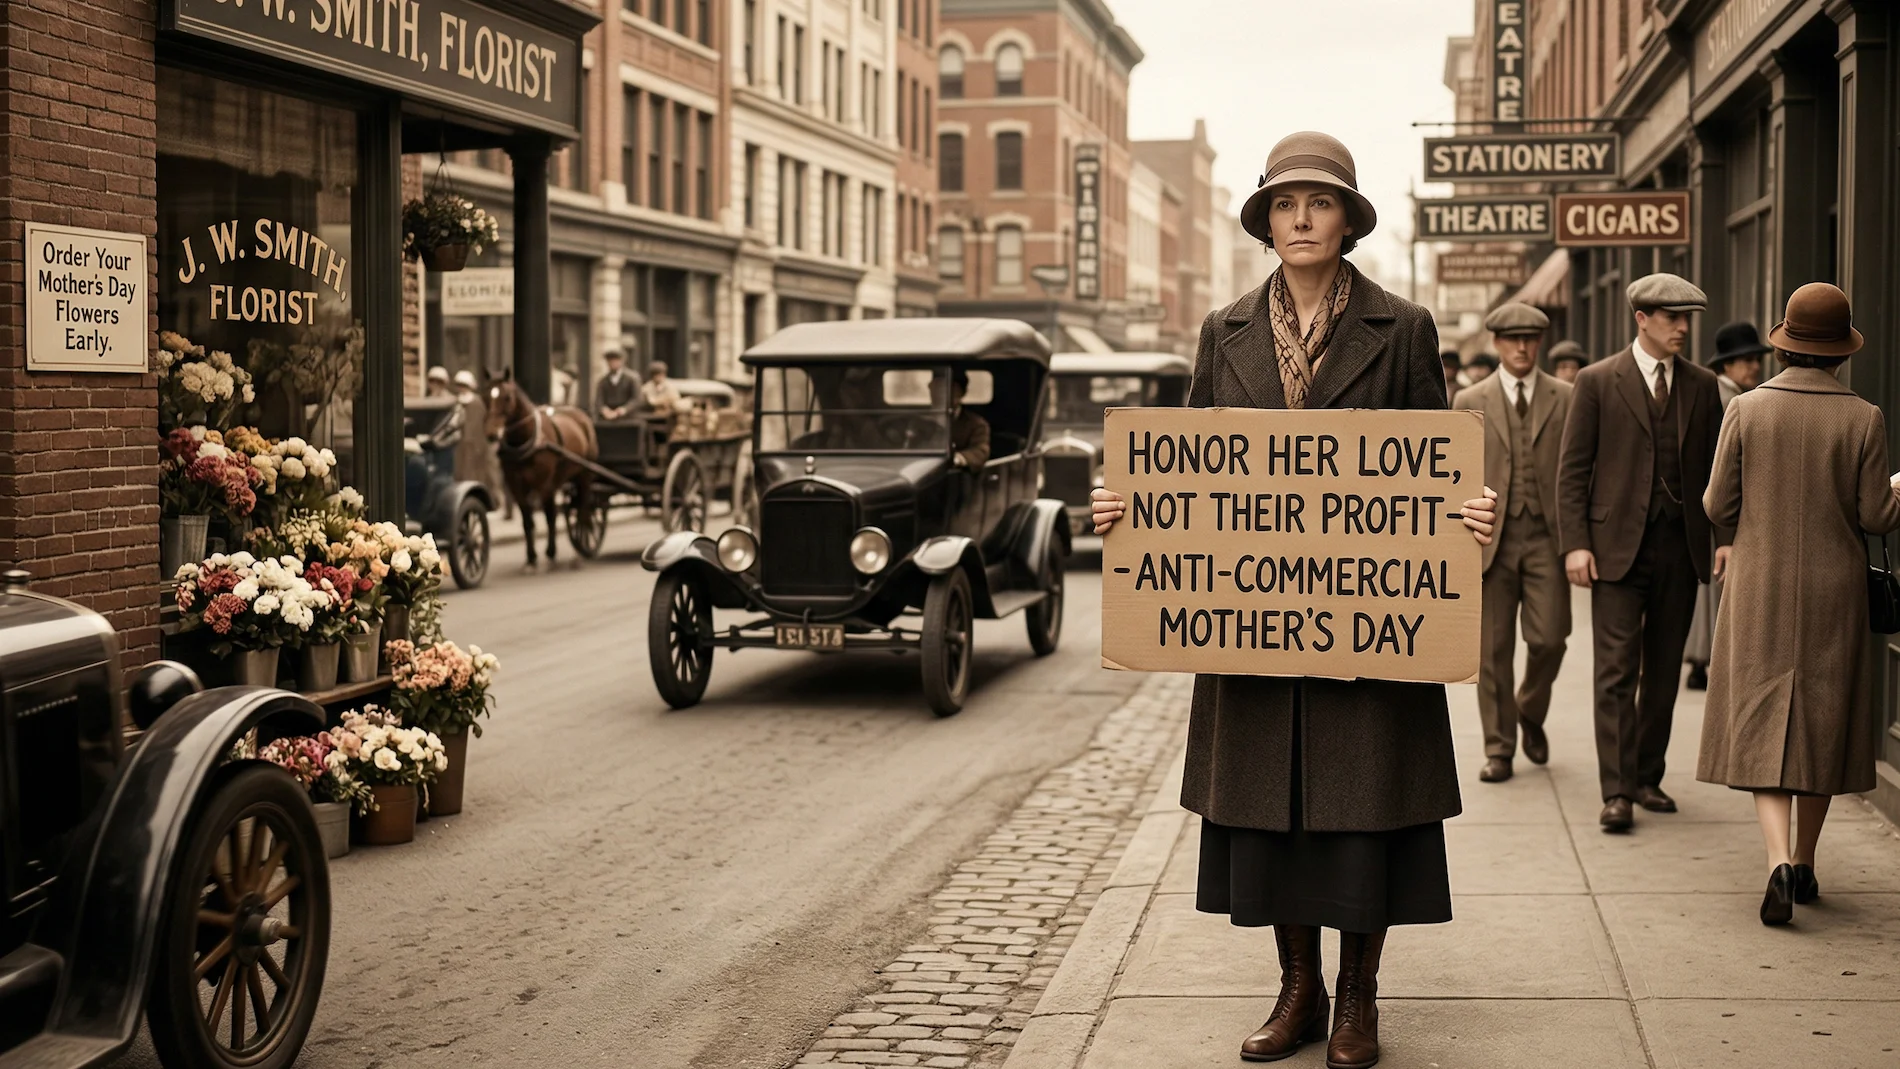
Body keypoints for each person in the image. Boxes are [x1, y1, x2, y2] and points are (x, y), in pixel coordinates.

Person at [1089, 131, 1497, 1069]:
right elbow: (1189, 466)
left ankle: (1357, 998)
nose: (1302, 218)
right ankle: (1298, 989)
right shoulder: (1223, 329)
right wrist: (1127, 505)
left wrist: (1467, 513)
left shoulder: (1405, 326)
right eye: (1285, 203)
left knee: (1363, 817)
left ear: (1347, 220)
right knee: (1274, 817)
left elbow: (1436, 463)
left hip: (1370, 629)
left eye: (1319, 202)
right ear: (1267, 223)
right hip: (1257, 629)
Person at [1696, 283, 1900, 925]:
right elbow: (1877, 516)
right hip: (1835, 593)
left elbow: (1717, 505)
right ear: (1842, 351)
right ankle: (1807, 862)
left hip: (1759, 584)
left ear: (1784, 344)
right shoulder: (1864, 418)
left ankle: (1778, 861)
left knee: (1762, 719)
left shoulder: (1746, 409)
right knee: (1823, 723)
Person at [1557, 273, 1727, 833]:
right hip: (1613, 549)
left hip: (1680, 547)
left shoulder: (1702, 385)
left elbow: (1718, 473)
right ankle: (1616, 792)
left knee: (1663, 671)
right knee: (1614, 672)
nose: (1682, 329)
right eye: (1671, 318)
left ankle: (1647, 777)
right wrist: (1576, 544)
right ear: (1641, 319)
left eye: (1686, 319)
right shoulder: (1596, 381)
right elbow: (1573, 470)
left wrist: (1725, 537)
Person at [1455, 302, 1573, 783]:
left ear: (1540, 342)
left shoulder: (1566, 396)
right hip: (1490, 541)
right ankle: (1499, 748)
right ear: (1496, 343)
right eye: (1512, 339)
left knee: (1550, 639)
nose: (1522, 347)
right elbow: (1453, 473)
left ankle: (1530, 707)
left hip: (1547, 536)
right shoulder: (1470, 399)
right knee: (1493, 651)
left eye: (1529, 339)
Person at [1684, 322, 1772, 690]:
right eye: (1747, 360)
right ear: (1727, 364)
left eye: (1756, 360)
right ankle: (1706, 660)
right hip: (1717, 508)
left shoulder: (1733, 395)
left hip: (1715, 507)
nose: (1755, 367)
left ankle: (1703, 659)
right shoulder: (1725, 399)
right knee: (1715, 586)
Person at [936, 368, 990, 469]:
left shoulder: (976, 424)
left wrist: (959, 458)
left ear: (961, 393)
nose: (938, 393)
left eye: (943, 388)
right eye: (935, 387)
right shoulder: (917, 422)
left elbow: (980, 451)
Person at [595, 349, 638, 421]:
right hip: (607, 417)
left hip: (628, 417)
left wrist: (624, 409)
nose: (612, 363)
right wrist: (604, 410)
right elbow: (598, 400)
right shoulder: (603, 381)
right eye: (609, 361)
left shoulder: (632, 378)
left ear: (622, 361)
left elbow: (637, 399)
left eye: (615, 360)